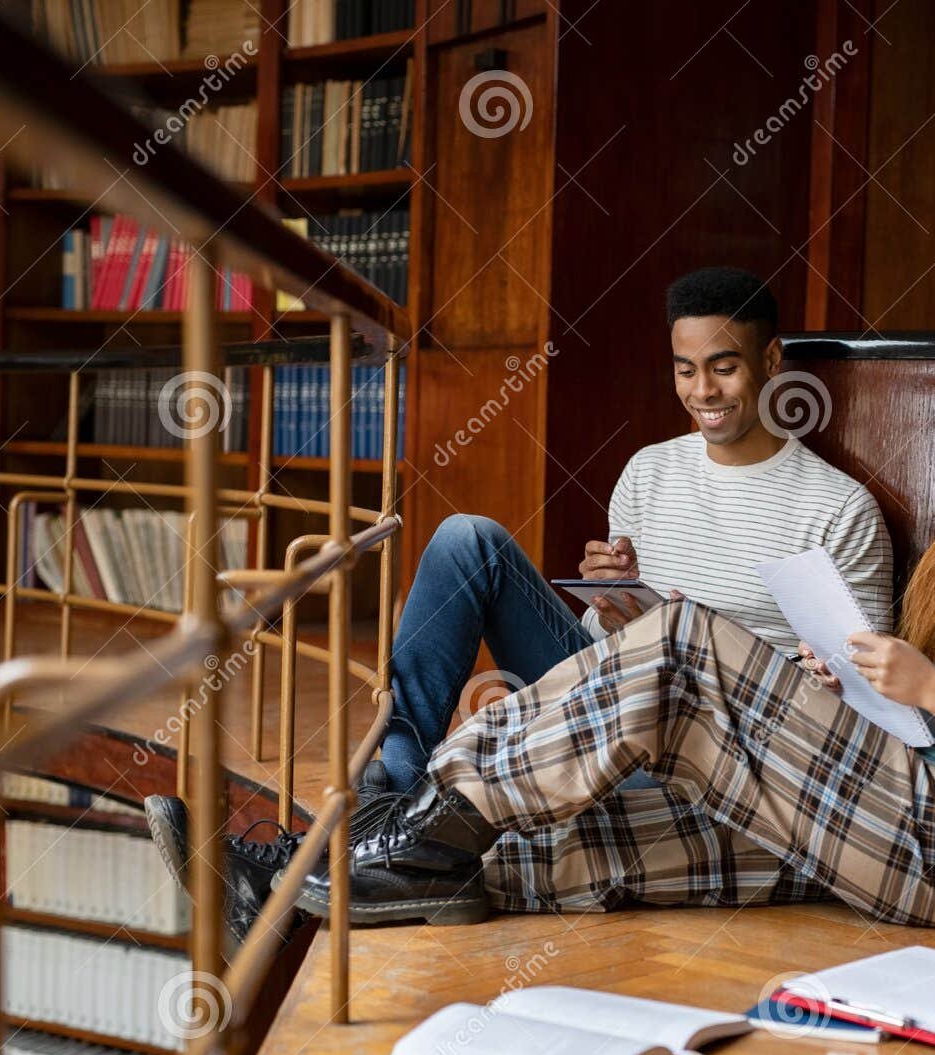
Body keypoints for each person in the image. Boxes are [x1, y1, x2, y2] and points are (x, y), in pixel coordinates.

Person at [285, 268, 935, 929]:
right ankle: (319, 870)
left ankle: (404, 821)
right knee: (567, 845)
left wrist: (933, 691)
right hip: (904, 796)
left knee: (683, 637)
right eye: (685, 369)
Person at [143, 266, 895, 946]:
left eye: (725, 368)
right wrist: (614, 597)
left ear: (771, 362)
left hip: (708, 759)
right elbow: (606, 643)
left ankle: (303, 863)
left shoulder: (837, 509)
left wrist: (697, 639)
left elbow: (861, 709)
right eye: (686, 369)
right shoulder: (650, 470)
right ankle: (381, 810)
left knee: (625, 678)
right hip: (613, 697)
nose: (703, 392)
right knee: (466, 538)